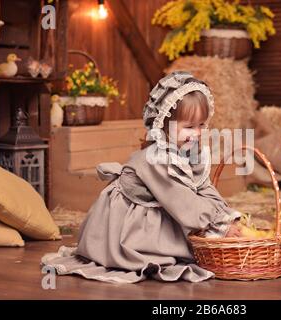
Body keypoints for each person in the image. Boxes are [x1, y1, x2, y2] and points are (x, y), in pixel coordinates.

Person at [42, 71, 241, 283]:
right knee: (176, 249)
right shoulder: (155, 159)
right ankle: (139, 248)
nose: (198, 133)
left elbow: (202, 185)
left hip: (164, 207)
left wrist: (226, 216)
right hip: (126, 224)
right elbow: (183, 202)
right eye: (189, 127)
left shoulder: (189, 149)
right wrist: (218, 225)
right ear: (163, 125)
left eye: (202, 125)